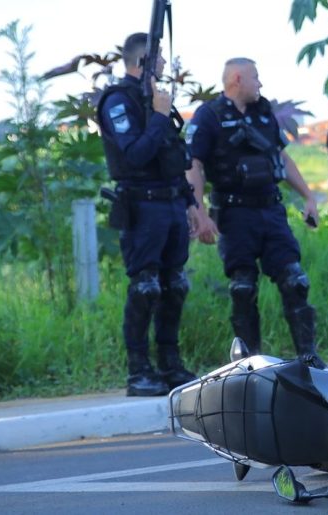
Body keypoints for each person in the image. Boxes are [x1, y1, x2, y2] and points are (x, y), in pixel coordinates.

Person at [185, 57, 326, 368]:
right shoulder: (209, 116)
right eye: (256, 78)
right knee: (243, 287)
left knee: (295, 280)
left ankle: (308, 357)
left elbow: (281, 157)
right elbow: (194, 164)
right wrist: (199, 212)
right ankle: (250, 364)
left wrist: (308, 197)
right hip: (234, 214)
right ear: (237, 78)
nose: (260, 84)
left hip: (271, 210)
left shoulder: (264, 113)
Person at [97, 32, 198, 396]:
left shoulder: (156, 101)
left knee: (175, 285)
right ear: (142, 64)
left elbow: (172, 157)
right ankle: (139, 370)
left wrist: (191, 204)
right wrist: (157, 115)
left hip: (170, 202)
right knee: (145, 287)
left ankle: (170, 365)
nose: (164, 68)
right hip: (141, 205)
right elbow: (135, 154)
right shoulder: (119, 101)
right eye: (159, 62)